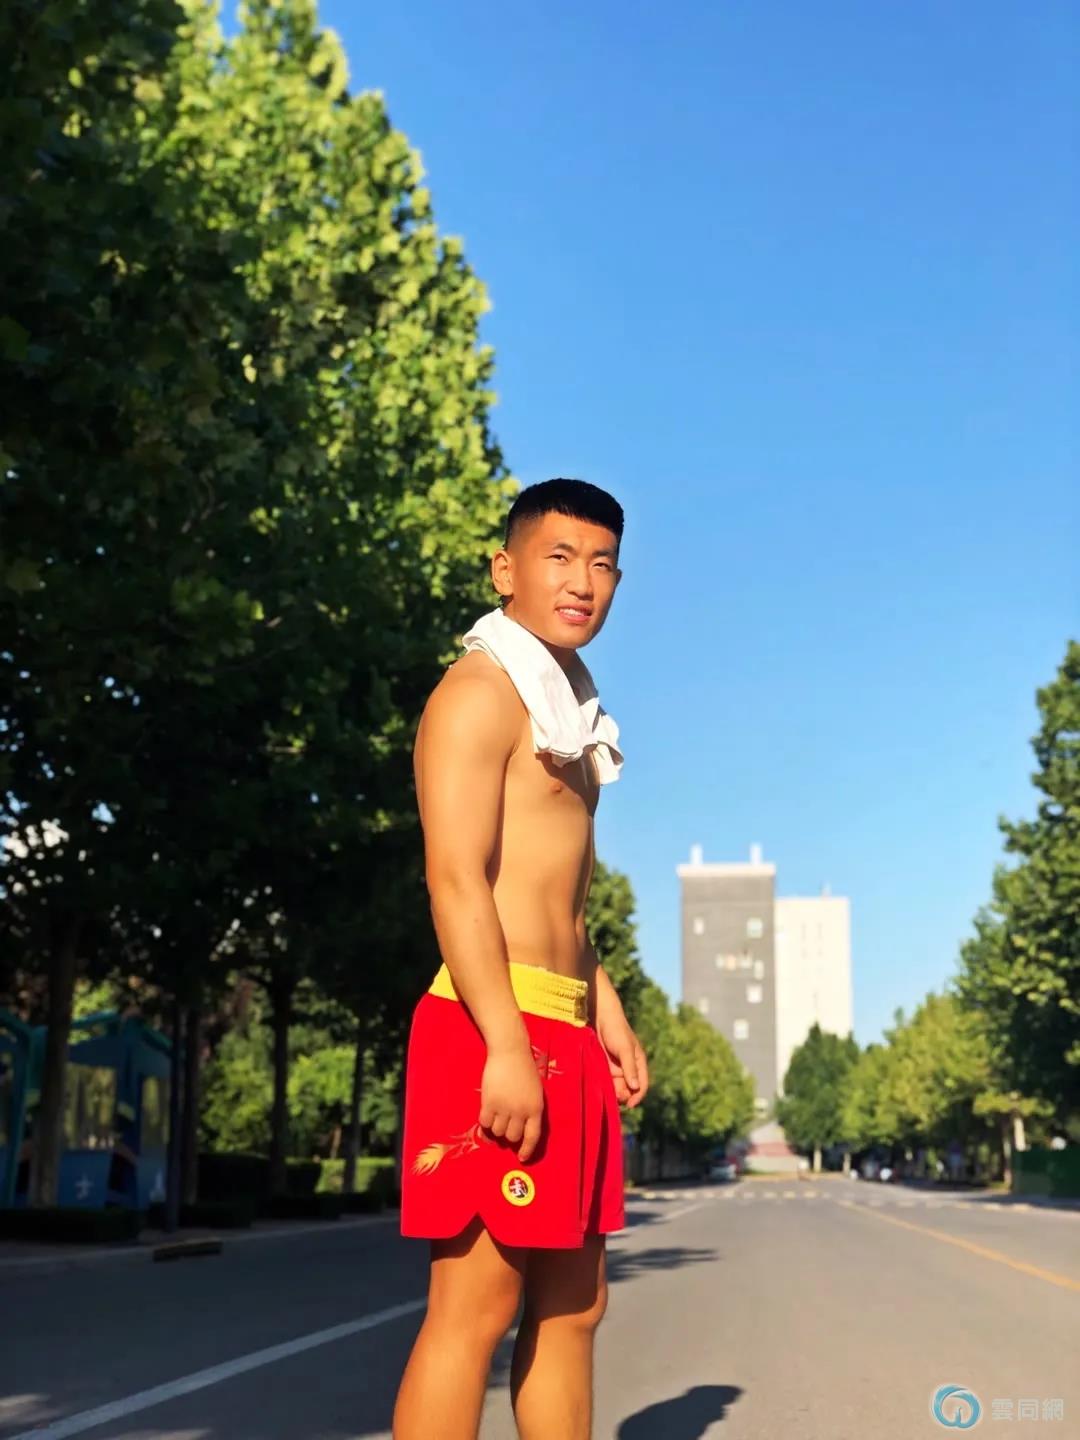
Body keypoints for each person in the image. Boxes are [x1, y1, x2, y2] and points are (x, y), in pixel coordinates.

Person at [393, 478, 649, 1440]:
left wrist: (604, 1008)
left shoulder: (568, 713)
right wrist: (504, 1043)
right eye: (559, 557)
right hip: (490, 1024)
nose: (583, 581)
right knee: (475, 1307)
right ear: (506, 568)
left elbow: (554, 894)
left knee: (576, 1307)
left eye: (602, 564)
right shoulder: (477, 695)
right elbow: (457, 880)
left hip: (564, 1023)